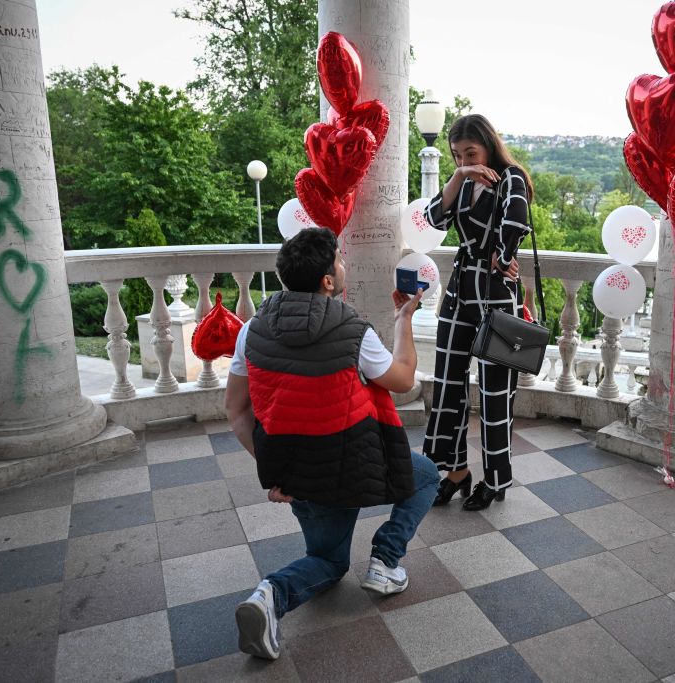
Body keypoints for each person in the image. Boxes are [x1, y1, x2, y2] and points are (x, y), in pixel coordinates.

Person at [224, 227, 440, 661]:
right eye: (339, 262)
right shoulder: (352, 330)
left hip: (296, 472)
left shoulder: (252, 329)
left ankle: (270, 595)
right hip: (357, 461)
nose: (343, 267)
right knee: (427, 476)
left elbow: (237, 411)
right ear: (327, 280)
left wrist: (274, 471)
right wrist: (403, 322)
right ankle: (384, 560)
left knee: (326, 561)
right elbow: (401, 380)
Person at [422, 114, 534, 511]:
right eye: (457, 155)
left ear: (488, 145)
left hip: (496, 297)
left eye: (471, 152)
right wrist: (460, 175)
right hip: (458, 293)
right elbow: (432, 218)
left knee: (494, 393)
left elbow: (516, 221)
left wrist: (502, 257)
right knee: (448, 385)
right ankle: (455, 472)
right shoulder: (464, 180)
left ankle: (497, 479)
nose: (465, 160)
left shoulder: (511, 178)